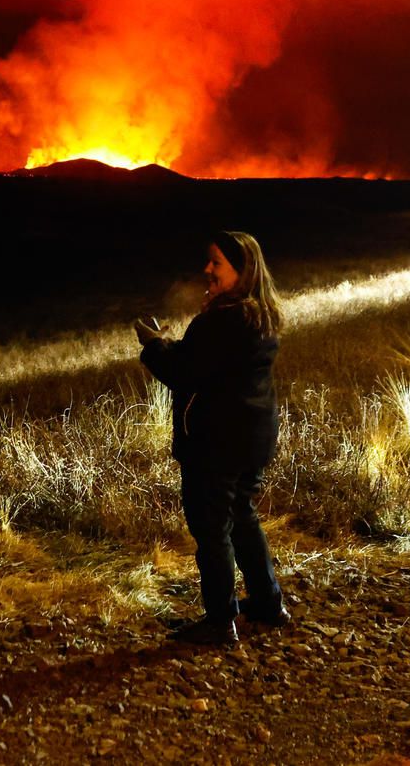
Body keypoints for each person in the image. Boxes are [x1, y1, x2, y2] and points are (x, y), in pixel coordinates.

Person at [138, 231, 289, 646]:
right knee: (241, 515)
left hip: (216, 441)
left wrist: (152, 346)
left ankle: (221, 621)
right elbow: (209, 365)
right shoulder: (262, 316)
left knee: (212, 528)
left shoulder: (221, 320)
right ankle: (268, 602)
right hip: (252, 438)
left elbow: (184, 372)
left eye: (216, 263)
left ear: (242, 270)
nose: (207, 269)